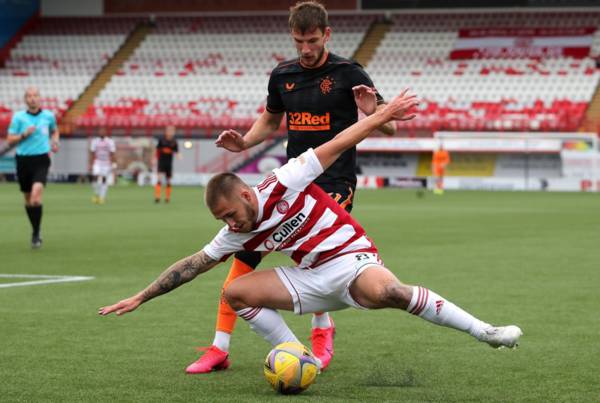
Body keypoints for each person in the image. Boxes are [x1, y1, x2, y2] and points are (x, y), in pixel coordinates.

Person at [99, 91, 523, 375]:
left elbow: (338, 142)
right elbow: (192, 265)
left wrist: (380, 116)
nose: (230, 226)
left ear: (247, 195)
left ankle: (484, 331)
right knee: (235, 293)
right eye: (222, 221)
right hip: (309, 277)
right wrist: (141, 296)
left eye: (231, 215)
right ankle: (298, 356)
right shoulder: (235, 232)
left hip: (352, 262)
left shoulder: (287, 179)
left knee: (390, 293)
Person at [191, 0, 396, 374]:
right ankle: (219, 348)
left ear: (327, 35)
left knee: (317, 257)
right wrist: (245, 143)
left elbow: (390, 126)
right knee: (242, 261)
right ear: (292, 36)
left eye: (313, 40)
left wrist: (372, 111)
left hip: (333, 182)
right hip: (290, 183)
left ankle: (321, 329)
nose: (306, 48)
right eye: (299, 40)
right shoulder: (281, 75)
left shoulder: (350, 73)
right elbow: (270, 122)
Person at [6, 87, 59, 248]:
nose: (33, 98)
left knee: (36, 197)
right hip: (23, 160)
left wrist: (55, 141)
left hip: (41, 159)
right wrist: (23, 135)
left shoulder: (48, 116)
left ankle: (36, 234)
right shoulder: (18, 118)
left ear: (40, 98)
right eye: (29, 96)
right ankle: (36, 230)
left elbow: (55, 131)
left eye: (35, 95)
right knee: (28, 200)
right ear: (25, 100)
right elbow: (9, 140)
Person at [89, 131, 116, 204]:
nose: (101, 133)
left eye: (103, 131)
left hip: (106, 162)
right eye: (100, 131)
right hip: (97, 162)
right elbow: (92, 153)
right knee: (95, 176)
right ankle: (96, 194)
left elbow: (112, 153)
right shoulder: (95, 141)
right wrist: (90, 164)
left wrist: (114, 163)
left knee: (104, 178)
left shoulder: (110, 142)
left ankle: (102, 196)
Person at [154, 125, 179, 203]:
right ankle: (157, 197)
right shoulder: (161, 140)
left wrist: (179, 155)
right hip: (161, 162)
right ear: (166, 131)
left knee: (168, 181)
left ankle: (167, 198)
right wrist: (154, 158)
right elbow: (157, 150)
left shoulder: (174, 141)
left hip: (169, 163)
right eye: (169, 130)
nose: (170, 132)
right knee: (159, 179)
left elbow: (177, 151)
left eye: (172, 131)